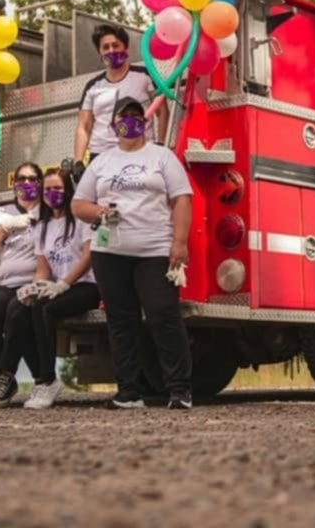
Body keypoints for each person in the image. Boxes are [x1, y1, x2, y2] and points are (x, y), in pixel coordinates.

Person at [73, 97, 194, 410]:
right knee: (121, 321)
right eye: (123, 117)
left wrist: (179, 243)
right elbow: (78, 204)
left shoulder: (162, 156)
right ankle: (129, 392)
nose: (129, 121)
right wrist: (98, 211)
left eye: (135, 116)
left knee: (162, 315)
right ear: (113, 125)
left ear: (145, 122)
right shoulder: (101, 162)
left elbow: (182, 199)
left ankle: (179, 389)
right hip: (109, 252)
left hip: (154, 250)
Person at [0, 168, 98, 409]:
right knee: (19, 308)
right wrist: (34, 288)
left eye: (58, 188)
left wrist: (64, 284)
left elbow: (88, 256)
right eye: (48, 189)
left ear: (68, 191)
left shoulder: (80, 219)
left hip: (85, 285)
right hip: (56, 287)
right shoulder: (42, 226)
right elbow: (43, 267)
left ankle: (47, 378)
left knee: (45, 308)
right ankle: (37, 380)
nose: (53, 193)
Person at [0, 161, 43, 405]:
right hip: (8, 283)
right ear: (13, 184)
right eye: (21, 179)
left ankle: (5, 375)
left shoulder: (48, 210)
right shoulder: (2, 213)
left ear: (40, 183)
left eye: (32, 179)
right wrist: (6, 227)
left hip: (38, 282)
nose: (26, 183)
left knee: (16, 310)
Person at [72, 24, 169, 176]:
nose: (111, 51)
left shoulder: (144, 75)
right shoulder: (92, 87)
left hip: (139, 151)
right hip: (101, 156)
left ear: (126, 48)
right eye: (105, 47)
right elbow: (84, 126)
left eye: (116, 45)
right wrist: (78, 160)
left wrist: (162, 144)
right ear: (99, 52)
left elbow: (162, 111)